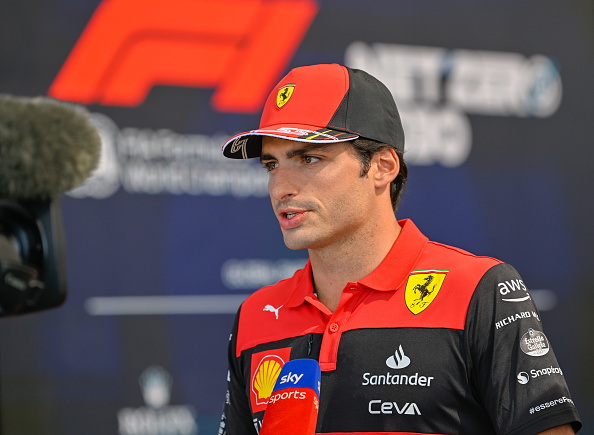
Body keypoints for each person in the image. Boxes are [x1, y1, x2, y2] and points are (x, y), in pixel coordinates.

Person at [218, 63, 581, 434]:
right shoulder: (255, 318)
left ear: (382, 166)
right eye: (271, 165)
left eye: (309, 158)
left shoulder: (478, 289)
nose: (281, 188)